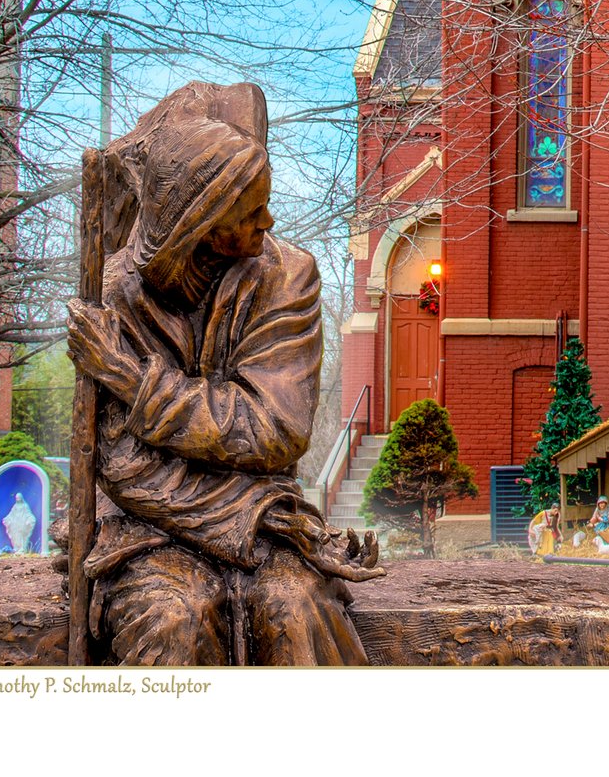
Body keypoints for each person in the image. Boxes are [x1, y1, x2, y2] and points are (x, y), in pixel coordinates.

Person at [68, 82, 382, 665]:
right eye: (248, 210)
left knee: (295, 605)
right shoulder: (115, 298)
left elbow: (274, 430)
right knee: (174, 616)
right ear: (201, 223)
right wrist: (238, 496)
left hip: (268, 521)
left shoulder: (287, 277)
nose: (269, 218)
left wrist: (135, 382)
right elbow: (126, 470)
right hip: (147, 531)